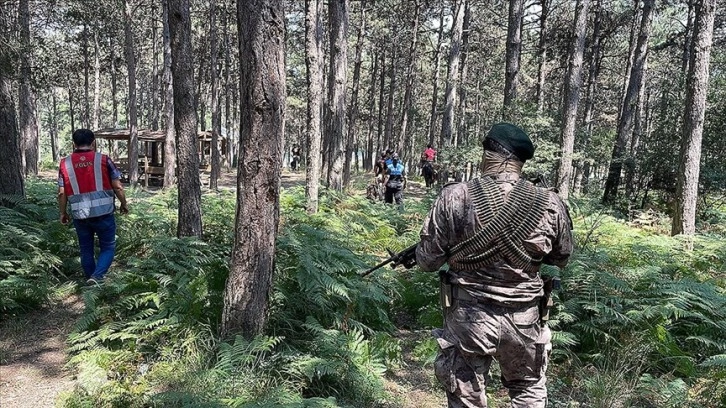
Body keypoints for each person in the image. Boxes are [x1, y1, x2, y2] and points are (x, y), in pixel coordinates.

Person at [415, 122, 573, 408]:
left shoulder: (456, 196)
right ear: (521, 160)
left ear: (487, 152)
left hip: (469, 319)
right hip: (525, 318)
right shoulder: (550, 202)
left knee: (466, 398)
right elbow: (560, 257)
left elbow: (427, 261)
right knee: (528, 391)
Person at [58, 129, 129, 285]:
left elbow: (62, 193)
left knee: (86, 250)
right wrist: (124, 204)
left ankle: (92, 281)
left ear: (74, 144)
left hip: (79, 215)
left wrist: (62, 213)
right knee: (108, 248)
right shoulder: (104, 160)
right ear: (93, 142)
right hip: (104, 214)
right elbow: (118, 187)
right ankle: (96, 278)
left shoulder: (65, 163)